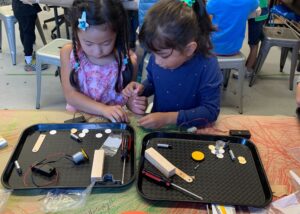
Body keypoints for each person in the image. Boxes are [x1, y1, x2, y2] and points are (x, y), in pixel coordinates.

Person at [122, 0, 223, 129]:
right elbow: (154, 82)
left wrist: (167, 119)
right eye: (153, 54)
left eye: (163, 55)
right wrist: (139, 92)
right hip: (160, 129)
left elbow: (210, 112)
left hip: (193, 132)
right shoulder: (160, 54)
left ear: (189, 49)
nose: (156, 61)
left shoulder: (207, 64)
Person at [60, 0, 141, 123]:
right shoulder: (69, 53)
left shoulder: (127, 62)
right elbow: (71, 96)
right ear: (76, 33)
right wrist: (103, 109)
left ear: (117, 33)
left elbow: (127, 96)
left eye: (106, 43)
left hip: (113, 123)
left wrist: (133, 103)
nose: (97, 51)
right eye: (88, 43)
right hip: (79, 120)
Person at [12, 0, 47, 71]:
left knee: (24, 31)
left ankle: (28, 57)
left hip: (19, 7)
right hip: (26, 8)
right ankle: (29, 62)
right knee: (29, 34)